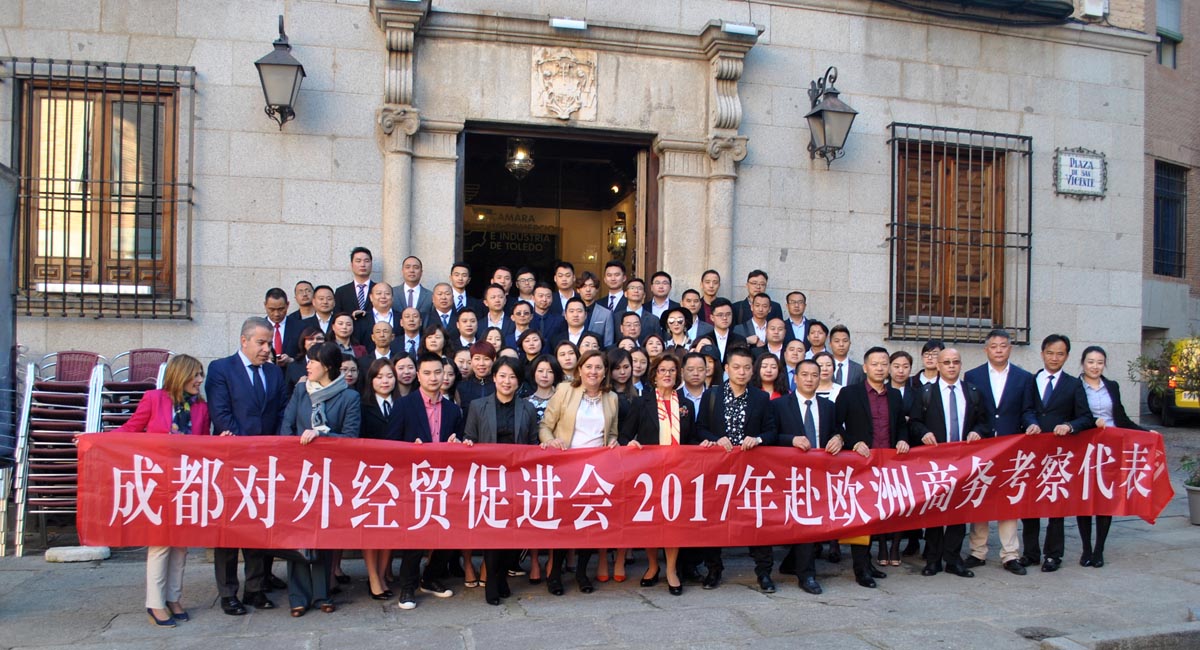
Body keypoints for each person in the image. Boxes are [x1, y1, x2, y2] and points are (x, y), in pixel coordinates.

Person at [115, 354, 213, 627]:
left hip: (187, 481)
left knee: (181, 543)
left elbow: (204, 444)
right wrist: (94, 440)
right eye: (195, 375)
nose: (199, 381)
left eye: (201, 375)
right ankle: (155, 603)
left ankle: (174, 597)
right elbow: (131, 429)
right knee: (159, 542)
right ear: (180, 374)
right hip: (157, 479)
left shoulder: (201, 407)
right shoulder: (154, 399)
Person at [205, 317, 290, 615]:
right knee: (228, 531)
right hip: (232, 462)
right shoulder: (221, 369)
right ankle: (228, 593)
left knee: (258, 526)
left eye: (269, 343)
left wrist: (273, 447)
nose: (267, 349)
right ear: (244, 340)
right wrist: (246, 449)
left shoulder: (274, 373)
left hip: (266, 462)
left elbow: (282, 412)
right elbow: (221, 415)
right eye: (261, 343)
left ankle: (255, 588)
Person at [277, 342, 360, 616]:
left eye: (313, 361)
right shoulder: (301, 390)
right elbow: (287, 427)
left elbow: (350, 438)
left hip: (331, 475)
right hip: (298, 473)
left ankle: (323, 592)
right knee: (298, 531)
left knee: (324, 533)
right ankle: (298, 595)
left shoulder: (349, 397)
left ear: (327, 365)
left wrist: (322, 436)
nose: (308, 366)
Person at [538, 350, 619, 595]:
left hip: (596, 472)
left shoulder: (612, 398)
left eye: (598, 367)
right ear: (580, 369)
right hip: (566, 468)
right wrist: (551, 442)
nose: (593, 372)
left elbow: (612, 432)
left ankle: (583, 573)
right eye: (588, 366)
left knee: (589, 524)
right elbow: (545, 426)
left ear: (605, 372)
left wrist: (613, 442)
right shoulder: (564, 391)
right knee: (564, 523)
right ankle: (554, 574)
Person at [696, 347, 778, 592]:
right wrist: (715, 438)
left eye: (746, 367)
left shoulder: (761, 398)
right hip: (718, 471)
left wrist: (758, 439)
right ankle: (714, 569)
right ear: (727, 368)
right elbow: (700, 428)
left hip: (750, 471)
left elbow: (772, 430)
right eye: (737, 367)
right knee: (713, 519)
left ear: (752, 370)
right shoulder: (712, 396)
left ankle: (764, 572)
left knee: (757, 521)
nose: (742, 372)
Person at [386, 352, 463, 610]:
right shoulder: (404, 405)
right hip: (414, 481)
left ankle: (430, 578)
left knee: (449, 533)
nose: (433, 378)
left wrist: (457, 444)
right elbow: (390, 445)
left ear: (445, 375)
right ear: (418, 376)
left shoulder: (453, 409)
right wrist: (409, 448)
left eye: (437, 373)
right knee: (415, 537)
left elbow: (461, 443)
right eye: (427, 373)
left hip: (445, 481)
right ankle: (407, 587)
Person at [907, 348, 991, 578]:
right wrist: (923, 433)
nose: (951, 366)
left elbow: (985, 423)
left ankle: (953, 559)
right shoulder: (925, 393)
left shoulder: (972, 392)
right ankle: (933, 559)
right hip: (935, 464)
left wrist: (977, 432)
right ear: (939, 365)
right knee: (935, 511)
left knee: (958, 512)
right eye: (947, 362)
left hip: (963, 463)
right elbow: (914, 423)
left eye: (955, 362)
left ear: (960, 364)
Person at [462, 358, 540, 605]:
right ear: (494, 377)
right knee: (492, 532)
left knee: (514, 533)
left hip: (517, 478)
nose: (507, 381)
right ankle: (492, 584)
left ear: (519, 381)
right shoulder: (477, 406)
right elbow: (470, 437)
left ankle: (502, 577)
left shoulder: (527, 408)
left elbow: (533, 443)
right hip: (489, 478)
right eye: (503, 376)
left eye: (513, 377)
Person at [1075, 345, 1158, 568]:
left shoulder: (1111, 386)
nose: (1095, 366)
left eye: (1100, 362)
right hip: (1085, 449)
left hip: (1110, 450)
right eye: (1091, 361)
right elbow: (1072, 416)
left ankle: (1099, 549)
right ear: (1083, 363)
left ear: (1105, 364)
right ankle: (1085, 549)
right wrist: (1092, 423)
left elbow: (1121, 418)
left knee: (1105, 498)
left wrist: (1146, 433)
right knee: (1085, 500)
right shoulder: (1074, 386)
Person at [620, 354, 696, 596]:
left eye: (672, 370)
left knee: (674, 522)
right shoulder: (641, 403)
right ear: (654, 375)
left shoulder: (687, 405)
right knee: (652, 523)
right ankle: (653, 566)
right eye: (662, 370)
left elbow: (691, 439)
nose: (667, 374)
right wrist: (630, 444)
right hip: (648, 473)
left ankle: (671, 569)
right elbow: (624, 436)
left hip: (678, 473)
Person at [962, 329, 1035, 575]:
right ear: (986, 350)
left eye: (1003, 346)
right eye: (994, 346)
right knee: (979, 497)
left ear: (1010, 348)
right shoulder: (973, 376)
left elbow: (1027, 409)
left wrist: (1032, 423)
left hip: (1010, 448)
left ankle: (1010, 554)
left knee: (1008, 501)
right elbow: (970, 412)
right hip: (982, 448)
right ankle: (977, 551)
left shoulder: (1024, 378)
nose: (999, 350)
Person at [1021, 334, 1094, 573]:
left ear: (1067, 357)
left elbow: (1086, 417)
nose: (1054, 358)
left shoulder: (1074, 384)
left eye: (1060, 354)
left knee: (1055, 505)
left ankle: (1053, 555)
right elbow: (1026, 409)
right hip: (1033, 452)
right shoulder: (1031, 381)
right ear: (1042, 353)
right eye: (1050, 353)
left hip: (1059, 455)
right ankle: (1030, 553)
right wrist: (1030, 422)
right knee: (1029, 504)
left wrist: (1070, 426)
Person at [834, 346, 905, 588]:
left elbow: (901, 425)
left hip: (887, 465)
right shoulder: (849, 393)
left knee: (878, 516)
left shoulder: (895, 396)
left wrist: (903, 439)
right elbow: (835, 425)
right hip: (860, 465)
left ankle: (869, 563)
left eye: (884, 363)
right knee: (861, 516)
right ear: (865, 367)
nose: (879, 368)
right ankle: (860, 568)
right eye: (874, 364)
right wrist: (853, 443)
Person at [772, 358, 836, 595]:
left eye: (814, 375)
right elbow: (770, 435)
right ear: (795, 378)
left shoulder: (828, 406)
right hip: (789, 476)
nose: (810, 379)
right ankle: (803, 571)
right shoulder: (780, 405)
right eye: (805, 375)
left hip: (819, 475)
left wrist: (839, 438)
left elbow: (839, 431)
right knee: (802, 523)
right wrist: (791, 440)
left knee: (813, 524)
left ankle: (799, 568)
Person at [522, 354, 562, 585]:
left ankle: (554, 561)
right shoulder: (526, 402)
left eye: (549, 371)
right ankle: (535, 559)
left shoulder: (564, 398)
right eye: (540, 371)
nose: (544, 375)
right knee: (536, 512)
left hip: (560, 463)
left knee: (556, 513)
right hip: (534, 465)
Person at [333, 246, 375, 319]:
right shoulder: (341, 292)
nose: (362, 264)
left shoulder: (379, 290)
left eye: (366, 261)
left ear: (371, 264)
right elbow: (336, 317)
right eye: (358, 261)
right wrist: (350, 317)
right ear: (351, 265)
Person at [457, 341, 496, 418]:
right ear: (471, 361)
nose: (481, 363)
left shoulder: (500, 386)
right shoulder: (461, 387)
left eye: (486, 359)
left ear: (493, 361)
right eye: (477, 359)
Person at [263, 287, 298, 367]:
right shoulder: (258, 328)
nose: (276, 314)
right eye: (272, 309)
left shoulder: (299, 327)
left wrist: (291, 360)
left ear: (287, 305)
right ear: (265, 305)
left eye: (281, 309)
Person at [286, 326, 326, 394]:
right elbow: (287, 394)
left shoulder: (331, 363)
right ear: (303, 342)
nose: (315, 342)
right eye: (310, 339)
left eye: (319, 339)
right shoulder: (293, 366)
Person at [705, 298, 746, 363]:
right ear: (712, 317)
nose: (724, 318)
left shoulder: (740, 340)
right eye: (720, 315)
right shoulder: (706, 339)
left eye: (728, 314)